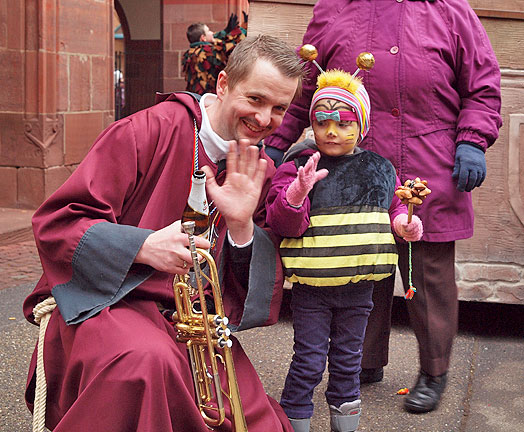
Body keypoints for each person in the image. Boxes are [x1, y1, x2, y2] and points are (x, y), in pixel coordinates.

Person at [23, 34, 305, 432]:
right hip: (112, 303)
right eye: (255, 99)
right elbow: (57, 223)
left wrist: (241, 226)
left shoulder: (255, 168)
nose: (264, 120)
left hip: (191, 323)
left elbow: (246, 295)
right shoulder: (148, 130)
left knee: (255, 420)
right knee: (144, 364)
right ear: (223, 84)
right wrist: (143, 245)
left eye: (279, 108)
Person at [264, 0, 502, 414]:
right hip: (353, 164)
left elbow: (482, 85)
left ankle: (433, 370)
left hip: (428, 165)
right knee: (357, 262)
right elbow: (307, 88)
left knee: (424, 270)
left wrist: (472, 140)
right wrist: (275, 142)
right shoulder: (335, 9)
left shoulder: (449, 10)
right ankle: (363, 361)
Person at [265, 68, 424, 432]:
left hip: (359, 288)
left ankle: (345, 419)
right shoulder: (297, 166)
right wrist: (298, 192)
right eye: (322, 122)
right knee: (307, 359)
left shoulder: (379, 168)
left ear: (362, 126)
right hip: (312, 290)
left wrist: (405, 225)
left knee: (348, 360)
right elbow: (282, 224)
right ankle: (294, 419)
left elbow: (396, 207)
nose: (332, 131)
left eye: (344, 122)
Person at [182, 12, 247, 95]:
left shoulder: (190, 53)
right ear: (203, 38)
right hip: (210, 98)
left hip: (196, 97)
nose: (212, 32)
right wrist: (244, 28)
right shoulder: (208, 52)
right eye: (209, 31)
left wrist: (226, 31)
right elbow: (233, 45)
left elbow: (216, 37)